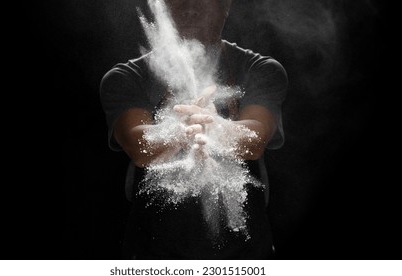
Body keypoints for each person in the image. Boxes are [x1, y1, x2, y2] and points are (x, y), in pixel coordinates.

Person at [100, 0, 288, 259]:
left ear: (226, 7)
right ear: (161, 7)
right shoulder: (126, 76)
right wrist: (184, 129)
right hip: (153, 256)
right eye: (178, 0)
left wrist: (213, 125)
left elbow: (254, 141)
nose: (190, 9)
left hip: (245, 256)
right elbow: (139, 146)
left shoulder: (261, 69)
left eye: (202, 0)